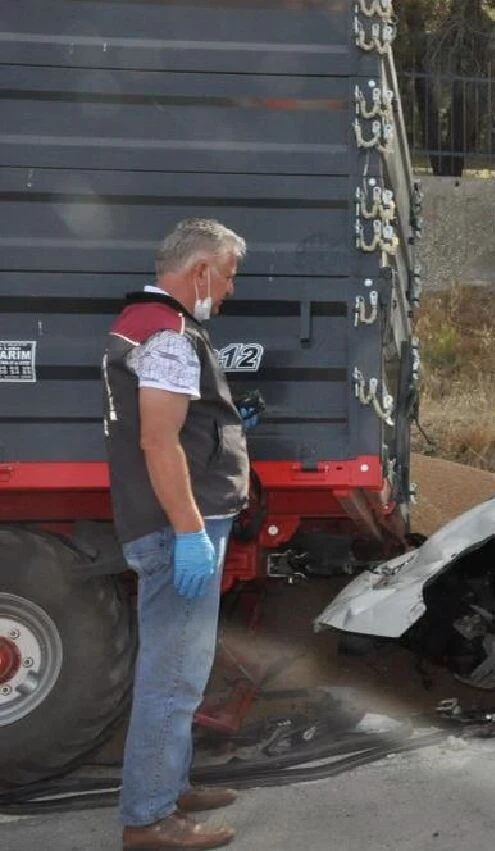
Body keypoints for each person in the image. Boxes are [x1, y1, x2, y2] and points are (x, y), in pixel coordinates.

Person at [104, 218, 253, 849]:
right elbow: (157, 441)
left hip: (170, 524)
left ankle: (169, 785)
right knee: (174, 674)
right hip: (176, 531)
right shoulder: (166, 333)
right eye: (227, 276)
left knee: (176, 670)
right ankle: (151, 820)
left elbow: (176, 430)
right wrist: (192, 531)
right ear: (199, 270)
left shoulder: (149, 324)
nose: (227, 292)